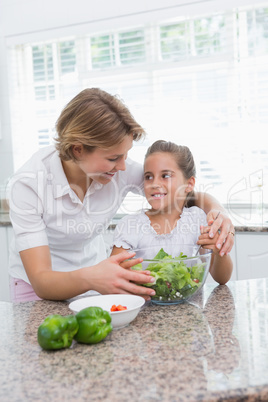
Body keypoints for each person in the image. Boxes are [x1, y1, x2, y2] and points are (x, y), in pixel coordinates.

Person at [8, 88, 234, 302]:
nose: (124, 166)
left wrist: (218, 212)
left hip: (99, 280)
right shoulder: (28, 185)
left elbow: (179, 193)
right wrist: (92, 276)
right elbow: (42, 280)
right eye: (114, 157)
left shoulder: (116, 169)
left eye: (125, 155)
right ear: (78, 149)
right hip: (41, 288)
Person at [111, 140, 233, 285]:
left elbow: (222, 278)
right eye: (148, 177)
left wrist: (218, 249)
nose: (154, 183)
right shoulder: (131, 225)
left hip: (191, 306)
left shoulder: (198, 220)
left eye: (165, 176)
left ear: (189, 184)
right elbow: (113, 275)